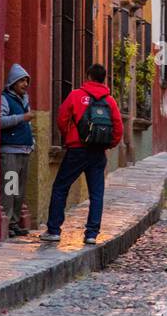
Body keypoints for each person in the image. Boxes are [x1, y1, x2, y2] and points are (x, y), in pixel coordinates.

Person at [41, 63, 123, 246]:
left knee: (61, 187)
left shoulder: (76, 95)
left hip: (77, 150)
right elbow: (118, 128)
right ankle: (91, 234)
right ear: (104, 79)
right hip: (98, 152)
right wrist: (108, 144)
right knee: (97, 193)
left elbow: (62, 118)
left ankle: (54, 230)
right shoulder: (110, 101)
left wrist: (70, 136)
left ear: (88, 76)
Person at [0, 63, 35, 237]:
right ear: (13, 82)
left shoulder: (24, 101)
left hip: (24, 151)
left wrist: (32, 142)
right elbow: (0, 121)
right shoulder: (5, 99)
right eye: (21, 81)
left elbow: (29, 125)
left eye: (26, 81)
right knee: (9, 189)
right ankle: (6, 223)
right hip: (11, 152)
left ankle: (14, 223)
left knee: (19, 191)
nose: (25, 84)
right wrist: (22, 117)